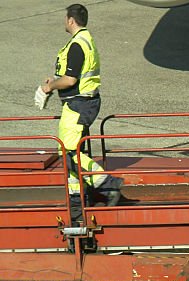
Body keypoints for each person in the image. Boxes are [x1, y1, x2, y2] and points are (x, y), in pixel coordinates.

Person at [40, 4, 121, 214]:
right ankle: (78, 200)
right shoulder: (86, 40)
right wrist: (56, 81)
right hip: (82, 103)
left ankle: (108, 185)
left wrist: (50, 86)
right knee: (73, 150)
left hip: (77, 105)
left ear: (70, 20)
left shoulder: (77, 45)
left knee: (69, 153)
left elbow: (69, 80)